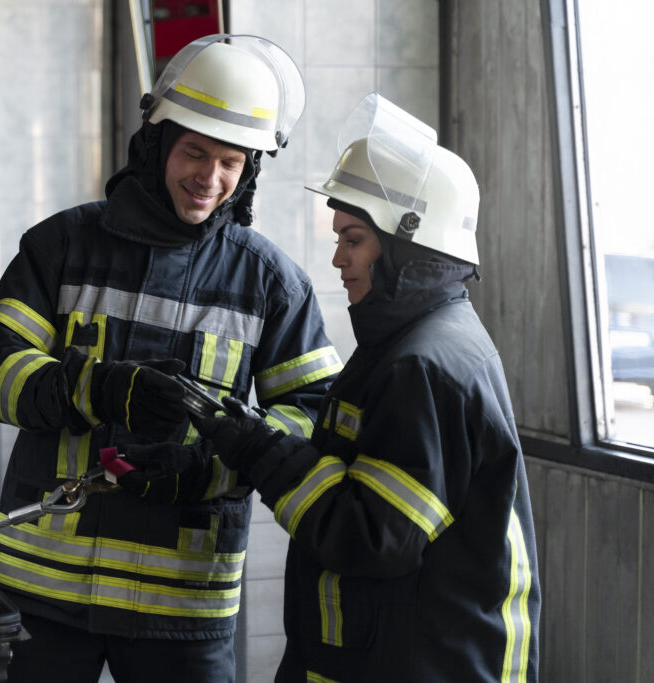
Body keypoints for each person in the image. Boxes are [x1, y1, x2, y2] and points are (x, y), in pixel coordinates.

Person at [0, 34, 341, 683]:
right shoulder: (61, 245)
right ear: (156, 141)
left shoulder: (273, 285)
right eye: (195, 151)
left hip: (182, 603)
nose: (209, 177)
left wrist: (209, 467)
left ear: (249, 169)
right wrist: (96, 389)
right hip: (43, 588)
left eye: (230, 161)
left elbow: (311, 423)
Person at [126, 94, 542, 681]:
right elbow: (349, 479)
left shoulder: (424, 365)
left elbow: (369, 537)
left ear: (405, 245)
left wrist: (260, 453)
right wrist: (243, 439)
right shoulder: (405, 345)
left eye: (354, 239)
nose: (339, 258)